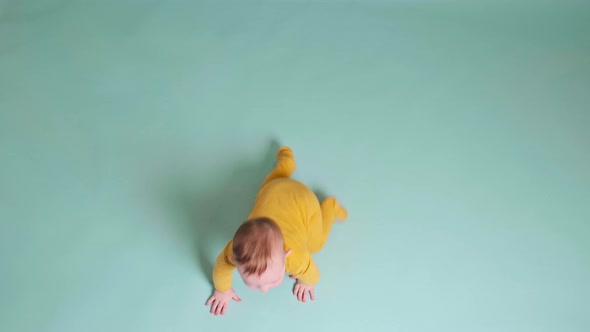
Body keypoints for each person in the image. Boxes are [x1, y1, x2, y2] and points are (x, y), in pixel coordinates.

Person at [204, 145, 348, 315]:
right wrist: (222, 290)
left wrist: (306, 283)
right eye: (253, 284)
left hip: (304, 200)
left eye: (272, 281)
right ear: (234, 258)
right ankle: (285, 164)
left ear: (286, 254)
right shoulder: (235, 250)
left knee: (316, 244)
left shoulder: (296, 259)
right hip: (273, 190)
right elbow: (221, 267)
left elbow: (314, 276)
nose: (264, 290)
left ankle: (330, 208)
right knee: (269, 186)